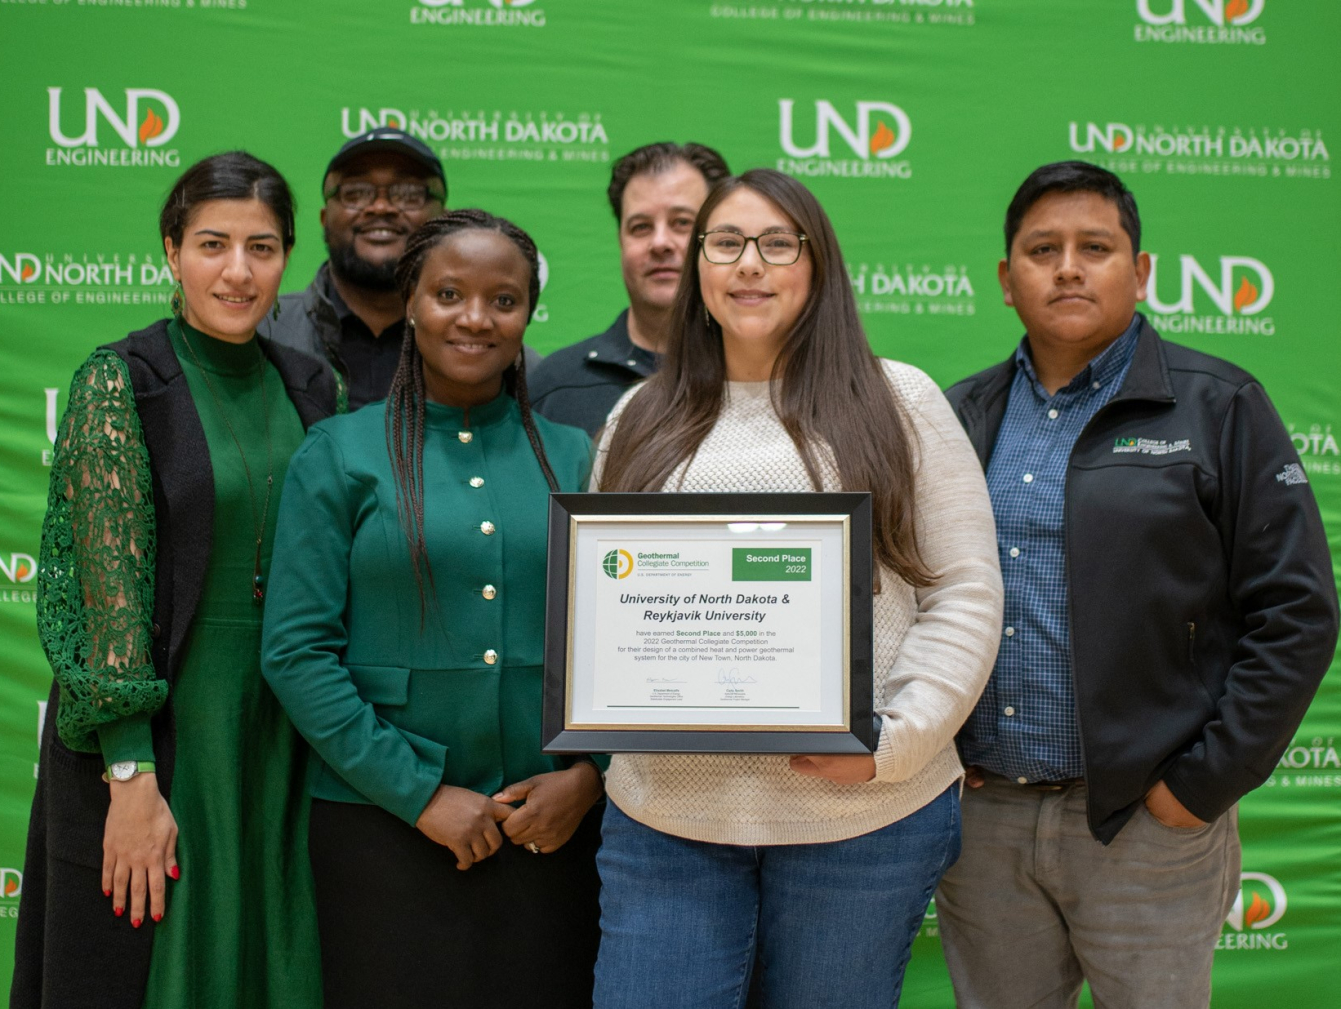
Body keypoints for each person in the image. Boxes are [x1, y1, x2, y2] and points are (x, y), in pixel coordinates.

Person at [590, 168, 1004, 1009]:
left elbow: (965, 591)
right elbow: (602, 603)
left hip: (859, 818)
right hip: (665, 819)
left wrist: (893, 740)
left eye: (779, 243)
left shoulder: (899, 399)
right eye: (727, 243)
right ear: (700, 267)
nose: (750, 265)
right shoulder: (637, 416)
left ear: (819, 266)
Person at [935, 161, 1339, 1009]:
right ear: (1007, 281)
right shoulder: (957, 415)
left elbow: (1297, 613)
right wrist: (935, 741)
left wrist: (1196, 787)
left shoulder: (1218, 406)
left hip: (1148, 827)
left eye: (1096, 247)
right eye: (1043, 249)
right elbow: (910, 596)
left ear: (1142, 270)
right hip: (985, 823)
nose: (1069, 267)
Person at [12, 152, 339, 1009]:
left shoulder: (311, 386)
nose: (238, 271)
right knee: (155, 963)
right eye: (213, 243)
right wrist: (130, 776)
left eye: (262, 247)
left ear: (288, 259)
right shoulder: (119, 383)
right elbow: (100, 588)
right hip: (165, 734)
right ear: (170, 251)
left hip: (281, 731)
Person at [260, 210, 605, 1009]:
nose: (476, 318)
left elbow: (624, 647)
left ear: (527, 314)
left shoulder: (577, 455)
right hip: (380, 829)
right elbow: (296, 652)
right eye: (449, 293)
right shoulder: (339, 452)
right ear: (411, 302)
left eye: (504, 299)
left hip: (547, 829)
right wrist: (418, 792)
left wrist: (590, 778)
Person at [529, 141, 729, 435]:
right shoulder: (554, 387)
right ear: (621, 241)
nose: (660, 242)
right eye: (641, 227)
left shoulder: (764, 381)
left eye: (682, 223)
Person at [259, 127, 449, 410]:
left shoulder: (482, 348)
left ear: (444, 219)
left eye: (409, 194)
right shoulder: (262, 334)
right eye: (356, 192)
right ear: (325, 217)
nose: (381, 207)